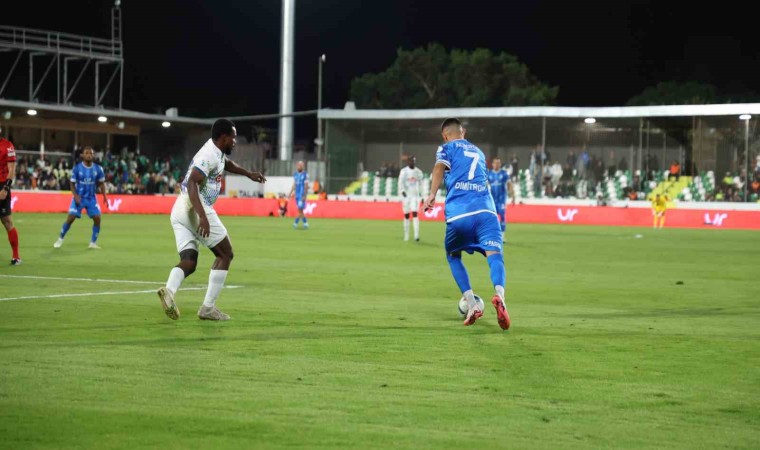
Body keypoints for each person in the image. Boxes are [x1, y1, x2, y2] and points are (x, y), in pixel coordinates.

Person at [157, 119, 266, 321]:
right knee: (226, 253)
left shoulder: (216, 152)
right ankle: (208, 308)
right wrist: (202, 216)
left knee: (189, 260)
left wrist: (248, 174)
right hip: (194, 208)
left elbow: (226, 164)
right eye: (233, 138)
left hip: (179, 209)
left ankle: (169, 292)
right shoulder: (209, 155)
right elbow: (192, 183)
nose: (235, 142)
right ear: (223, 137)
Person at [424, 118, 511, 330]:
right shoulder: (479, 153)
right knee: (495, 256)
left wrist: (432, 195)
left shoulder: (446, 148)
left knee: (453, 255)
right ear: (463, 132)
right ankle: (500, 295)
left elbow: (438, 169)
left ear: (445, 135)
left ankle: (472, 304)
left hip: (459, 214)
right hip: (486, 212)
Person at [53, 147, 107, 249]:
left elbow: (101, 183)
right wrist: (75, 195)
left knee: (97, 219)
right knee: (70, 218)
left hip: (91, 198)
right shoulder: (77, 168)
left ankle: (93, 243)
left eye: (91, 153)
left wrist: (105, 196)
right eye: (87, 153)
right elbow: (72, 183)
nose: (89, 155)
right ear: (82, 155)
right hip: (79, 198)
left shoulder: (98, 169)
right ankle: (60, 239)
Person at [0, 126, 20, 265]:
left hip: (1, 185)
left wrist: (6, 188)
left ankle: (16, 256)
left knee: (6, 221)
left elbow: (12, 170)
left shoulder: (7, 146)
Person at [398, 155, 424, 241]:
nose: (412, 162)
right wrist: (402, 191)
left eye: (413, 161)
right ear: (408, 162)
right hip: (406, 196)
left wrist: (422, 195)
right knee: (406, 215)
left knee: (415, 213)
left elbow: (421, 184)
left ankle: (416, 235)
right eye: (410, 161)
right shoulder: (403, 171)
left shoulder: (418, 172)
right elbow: (400, 182)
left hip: (414, 196)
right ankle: (406, 235)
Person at [487, 157, 514, 239]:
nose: (496, 164)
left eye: (498, 163)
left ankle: (502, 236)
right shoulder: (489, 174)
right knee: (492, 217)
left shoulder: (504, 174)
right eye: (495, 163)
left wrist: (512, 195)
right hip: (492, 200)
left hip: (501, 199)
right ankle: (492, 235)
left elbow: (509, 184)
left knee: (502, 215)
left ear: (500, 164)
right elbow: (485, 185)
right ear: (492, 164)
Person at [289, 161, 310, 229]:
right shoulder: (295, 174)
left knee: (300, 211)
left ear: (302, 166)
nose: (298, 166)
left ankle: (295, 223)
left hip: (301, 195)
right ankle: (305, 223)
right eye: (298, 165)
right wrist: (290, 192)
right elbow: (294, 184)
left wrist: (304, 195)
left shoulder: (305, 175)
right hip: (297, 195)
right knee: (300, 211)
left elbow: (306, 186)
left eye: (300, 165)